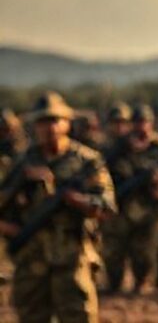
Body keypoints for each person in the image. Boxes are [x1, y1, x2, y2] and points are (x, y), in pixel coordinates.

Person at [0, 91, 116, 323]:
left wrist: (73, 199)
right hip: (31, 260)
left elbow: (106, 208)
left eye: (55, 120)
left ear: (67, 123)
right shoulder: (22, 163)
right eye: (42, 121)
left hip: (73, 259)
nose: (49, 127)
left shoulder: (87, 161)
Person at [101, 104, 158, 293]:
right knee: (116, 247)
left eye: (145, 122)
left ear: (151, 124)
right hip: (124, 204)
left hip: (153, 204)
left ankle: (151, 283)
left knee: (150, 247)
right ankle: (115, 283)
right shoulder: (121, 145)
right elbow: (107, 167)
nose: (141, 127)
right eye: (137, 122)